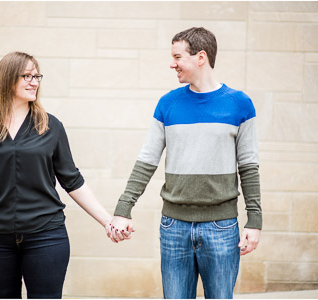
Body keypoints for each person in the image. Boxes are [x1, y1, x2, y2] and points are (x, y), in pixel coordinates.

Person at [108, 27, 262, 299]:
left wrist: (255, 220)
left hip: (222, 226)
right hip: (173, 226)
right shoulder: (168, 104)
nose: (172, 64)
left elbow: (249, 166)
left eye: (177, 57)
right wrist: (123, 208)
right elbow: (146, 161)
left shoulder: (240, 104)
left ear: (200, 57)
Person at [0, 51, 119, 298]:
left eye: (37, 76)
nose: (34, 81)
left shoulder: (50, 126)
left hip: (46, 237)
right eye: (27, 75)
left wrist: (107, 221)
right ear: (6, 79)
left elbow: (72, 180)